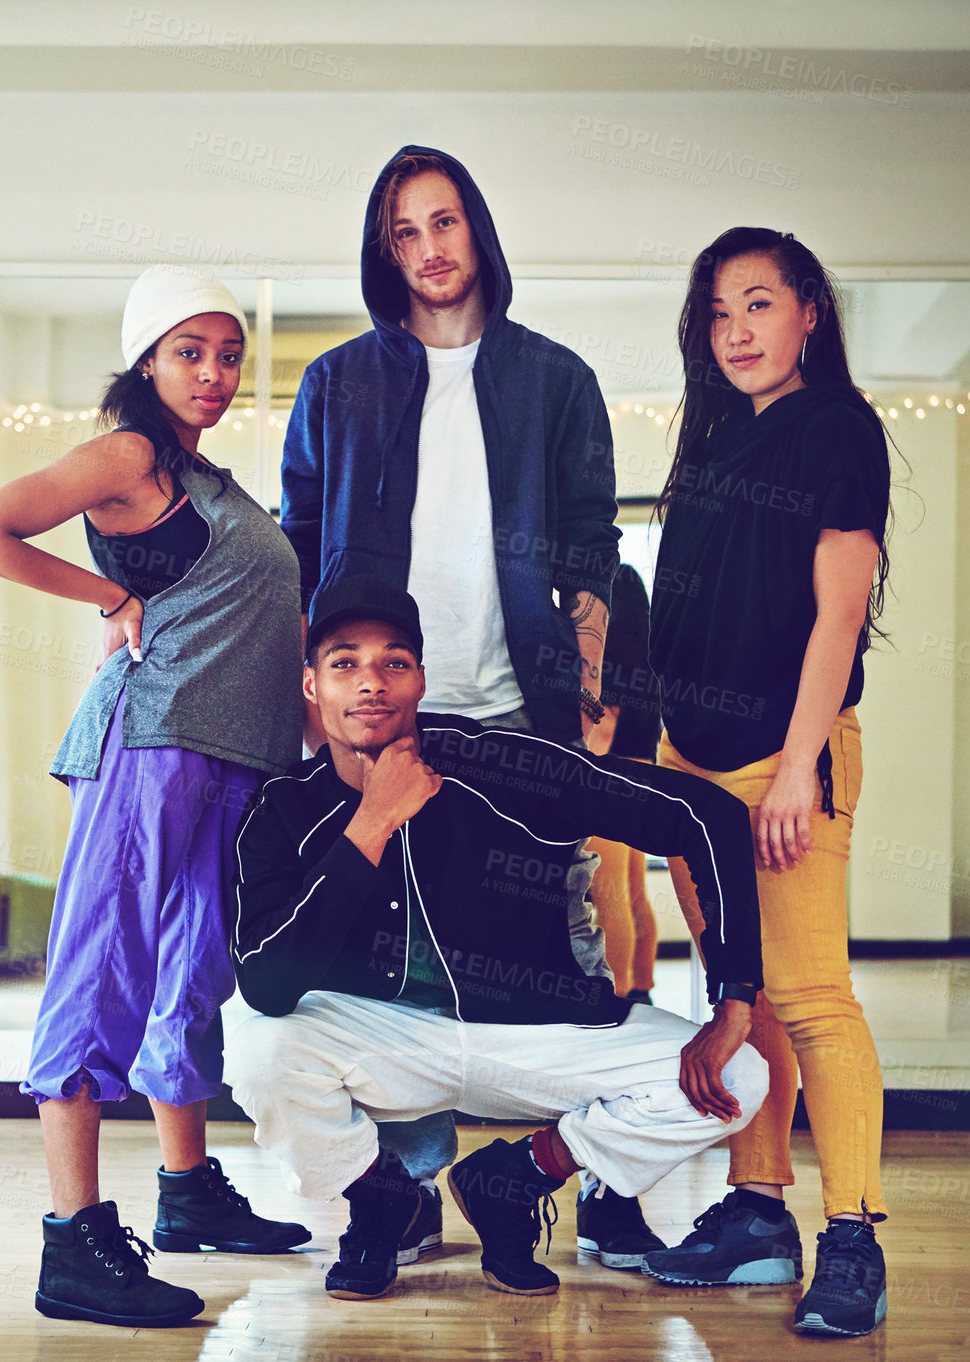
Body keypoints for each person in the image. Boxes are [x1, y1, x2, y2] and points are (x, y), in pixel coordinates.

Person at [279, 145, 644, 1262]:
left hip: (518, 707)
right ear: (384, 252)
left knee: (544, 947)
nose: (430, 250)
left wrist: (586, 705)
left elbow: (590, 554)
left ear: (477, 232)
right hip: (383, 714)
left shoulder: (555, 377)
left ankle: (547, 1185)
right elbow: (293, 549)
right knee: (380, 951)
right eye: (405, 232)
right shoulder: (339, 381)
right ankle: (392, 1195)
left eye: (445, 224)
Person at [225, 576, 769, 1304]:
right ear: (311, 685)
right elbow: (265, 980)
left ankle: (513, 1179)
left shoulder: (496, 764)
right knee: (259, 1051)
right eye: (344, 664)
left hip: (531, 1029)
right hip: (387, 1039)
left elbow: (704, 816)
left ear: (419, 679)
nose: (369, 684)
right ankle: (380, 1197)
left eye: (393, 663)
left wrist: (733, 998)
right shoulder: (283, 808)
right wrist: (372, 823)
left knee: (740, 1078)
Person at [0, 265, 310, 1330]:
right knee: (104, 970)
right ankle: (74, 1243)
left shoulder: (209, 476)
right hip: (152, 743)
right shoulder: (130, 452)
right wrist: (109, 591)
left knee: (193, 974)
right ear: (147, 359)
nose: (213, 372)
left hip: (233, 757)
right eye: (190, 352)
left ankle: (188, 1191)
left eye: (229, 353)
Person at [638, 227, 893, 1339]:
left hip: (779, 763)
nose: (736, 330)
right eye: (718, 312)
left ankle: (853, 1238)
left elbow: (840, 611)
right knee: (740, 994)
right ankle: (755, 1207)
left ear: (809, 316)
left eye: (758, 304)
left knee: (813, 998)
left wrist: (799, 768)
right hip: (691, 765)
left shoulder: (837, 429)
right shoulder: (709, 443)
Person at [585, 563, 663, 1005]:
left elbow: (599, 738)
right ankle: (643, 987)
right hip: (641, 779)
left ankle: (618, 993)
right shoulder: (648, 669)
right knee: (634, 894)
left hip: (610, 781)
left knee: (608, 898)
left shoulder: (607, 669)